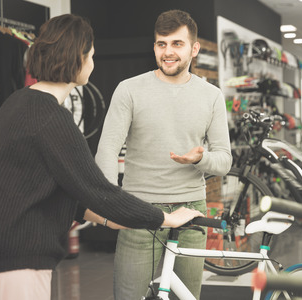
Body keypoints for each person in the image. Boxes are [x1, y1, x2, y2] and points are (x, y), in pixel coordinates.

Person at [0, 14, 204, 300]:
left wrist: (108, 220)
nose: (93, 64)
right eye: (91, 55)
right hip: (14, 259)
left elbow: (55, 187)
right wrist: (166, 218)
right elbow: (98, 191)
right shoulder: (52, 118)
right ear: (78, 58)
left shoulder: (19, 101)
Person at [95, 9, 232, 300]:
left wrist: (201, 159)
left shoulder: (212, 96)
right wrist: (109, 203)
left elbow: (224, 160)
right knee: (129, 295)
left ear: (194, 49)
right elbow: (106, 149)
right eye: (161, 44)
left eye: (177, 44)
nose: (168, 52)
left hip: (192, 213)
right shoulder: (129, 90)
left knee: (188, 296)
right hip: (139, 209)